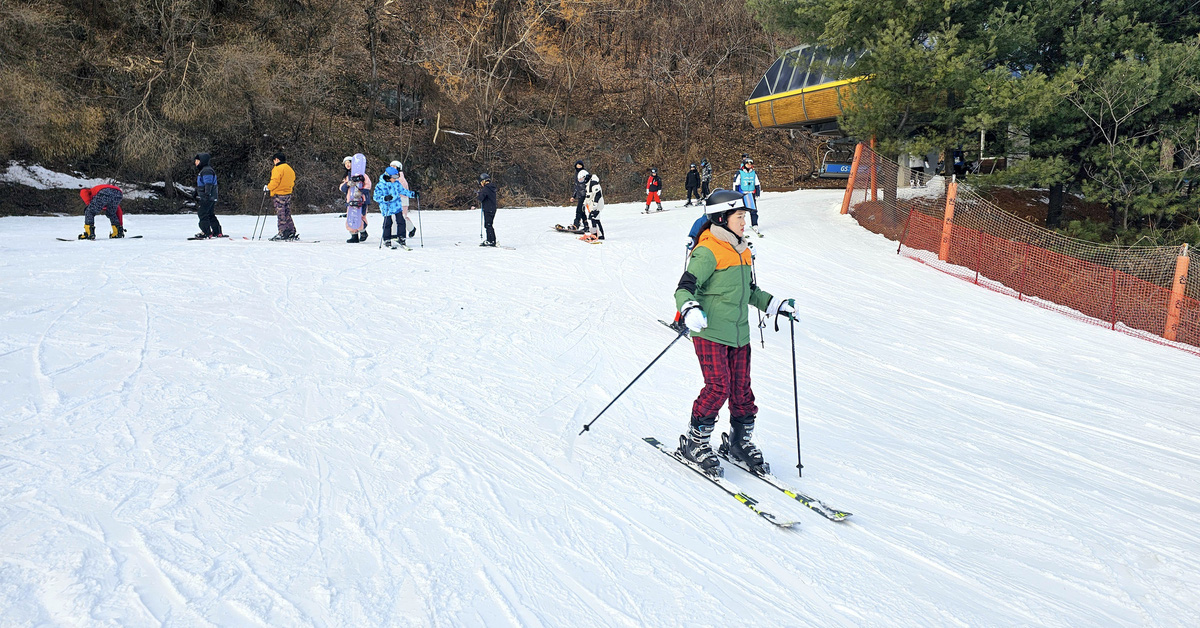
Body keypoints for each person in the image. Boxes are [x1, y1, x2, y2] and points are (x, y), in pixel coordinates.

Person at [674, 189, 796, 476]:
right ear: (722, 217)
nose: (744, 221)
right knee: (718, 387)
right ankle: (696, 442)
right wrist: (689, 308)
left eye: (745, 216)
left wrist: (774, 305)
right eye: (739, 216)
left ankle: (739, 444)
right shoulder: (708, 250)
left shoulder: (742, 250)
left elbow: (749, 291)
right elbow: (685, 286)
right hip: (711, 331)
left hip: (740, 334)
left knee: (742, 391)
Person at [374, 166, 415, 248]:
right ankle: (386, 239)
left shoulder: (396, 183)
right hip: (387, 207)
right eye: (394, 177)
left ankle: (402, 238)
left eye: (397, 177)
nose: (395, 179)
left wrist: (413, 194)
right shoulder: (380, 185)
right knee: (388, 223)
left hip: (396, 206)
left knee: (401, 221)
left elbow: (403, 191)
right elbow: (375, 197)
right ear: (388, 176)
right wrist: (384, 198)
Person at [263, 152, 298, 240]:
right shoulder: (289, 169)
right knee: (287, 213)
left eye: (274, 160)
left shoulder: (278, 168)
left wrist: (268, 187)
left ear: (277, 159)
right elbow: (292, 180)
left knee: (281, 214)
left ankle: (282, 232)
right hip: (288, 193)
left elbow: (275, 181)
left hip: (279, 194)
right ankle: (291, 231)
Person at [340, 154, 371, 243]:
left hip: (361, 200)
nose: (347, 165)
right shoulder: (346, 177)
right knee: (351, 217)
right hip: (351, 200)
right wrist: (347, 184)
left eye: (349, 162)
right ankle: (354, 235)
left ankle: (363, 232)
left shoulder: (363, 175)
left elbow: (368, 184)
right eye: (345, 164)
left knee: (361, 217)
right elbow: (341, 187)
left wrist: (361, 191)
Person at [192, 153, 223, 238]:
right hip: (211, 197)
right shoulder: (205, 170)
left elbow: (208, 183)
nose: (195, 162)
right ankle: (217, 232)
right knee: (210, 214)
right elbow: (202, 184)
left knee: (202, 214)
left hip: (208, 197)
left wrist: (207, 194)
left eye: (197, 161)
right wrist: (196, 192)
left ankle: (206, 232)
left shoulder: (206, 170)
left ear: (202, 161)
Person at [732, 158, 762, 236]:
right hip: (742, 194)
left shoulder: (753, 173)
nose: (749, 165)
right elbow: (736, 184)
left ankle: (754, 225)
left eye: (750, 164)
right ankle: (740, 226)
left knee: (753, 211)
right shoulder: (740, 172)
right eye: (747, 164)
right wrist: (736, 194)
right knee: (741, 212)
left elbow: (757, 183)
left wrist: (758, 193)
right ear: (744, 164)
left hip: (751, 194)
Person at [389, 160, 417, 239]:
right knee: (394, 217)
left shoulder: (401, 178)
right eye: (391, 166)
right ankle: (410, 228)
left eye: (394, 167)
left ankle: (396, 233)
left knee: (401, 217)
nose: (392, 168)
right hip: (394, 200)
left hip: (402, 200)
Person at [472, 173, 499, 246]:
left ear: (483, 181)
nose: (481, 184)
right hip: (492, 208)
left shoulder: (486, 188)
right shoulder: (491, 188)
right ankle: (490, 240)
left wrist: (479, 194)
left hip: (488, 209)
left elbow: (481, 198)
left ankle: (491, 241)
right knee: (489, 225)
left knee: (488, 225)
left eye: (481, 182)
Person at [582, 169, 605, 240]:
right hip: (592, 205)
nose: (582, 181)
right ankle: (594, 234)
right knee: (592, 219)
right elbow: (588, 196)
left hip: (597, 204)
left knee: (596, 218)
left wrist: (595, 204)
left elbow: (598, 194)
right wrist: (584, 204)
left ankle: (601, 235)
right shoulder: (588, 184)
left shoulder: (593, 183)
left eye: (582, 179)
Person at [570, 159, 588, 232]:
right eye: (578, 165)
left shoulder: (584, 174)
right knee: (582, 210)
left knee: (578, 210)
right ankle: (586, 224)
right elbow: (576, 187)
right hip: (580, 195)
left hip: (584, 195)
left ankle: (576, 224)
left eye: (580, 165)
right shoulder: (576, 175)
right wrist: (573, 196)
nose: (579, 166)